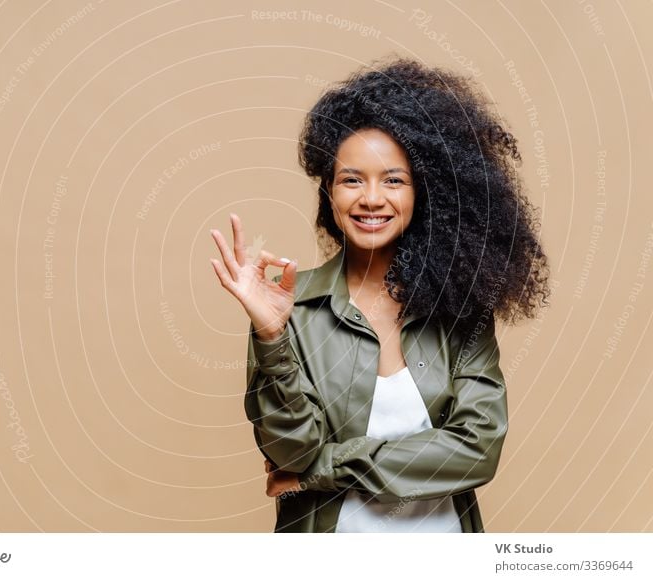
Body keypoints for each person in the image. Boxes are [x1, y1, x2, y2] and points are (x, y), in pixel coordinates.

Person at [209, 56, 550, 533]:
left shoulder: (461, 309)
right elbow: (291, 451)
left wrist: (328, 466)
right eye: (352, 179)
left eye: (394, 179)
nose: (372, 198)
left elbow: (478, 450)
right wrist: (272, 337)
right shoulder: (290, 306)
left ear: (421, 193)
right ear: (329, 192)